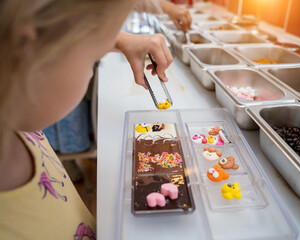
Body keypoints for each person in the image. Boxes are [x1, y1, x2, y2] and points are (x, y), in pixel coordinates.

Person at [0, 0, 175, 239]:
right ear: (24, 48)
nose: (92, 70)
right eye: (94, 56)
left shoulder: (16, 117)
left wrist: (119, 39)